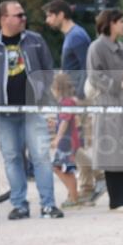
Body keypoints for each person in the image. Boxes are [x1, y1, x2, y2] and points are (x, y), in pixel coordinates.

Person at [0, 0, 63, 219]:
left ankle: (48, 205)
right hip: (2, 113)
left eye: (24, 14)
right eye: (19, 15)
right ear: (4, 19)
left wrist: (41, 93)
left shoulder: (35, 40)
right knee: (12, 158)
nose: (24, 18)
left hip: (32, 110)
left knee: (41, 156)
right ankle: (19, 205)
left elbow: (47, 70)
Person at [42, 0, 105, 204]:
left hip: (77, 97)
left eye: (50, 15)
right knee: (74, 144)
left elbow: (87, 67)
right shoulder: (72, 35)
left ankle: (95, 177)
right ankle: (89, 183)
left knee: (71, 144)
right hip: (72, 96)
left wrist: (78, 96)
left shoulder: (76, 36)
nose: (47, 20)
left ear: (61, 15)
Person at [86, 9, 123, 212]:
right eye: (121, 21)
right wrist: (119, 84)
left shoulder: (121, 47)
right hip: (109, 105)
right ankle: (117, 200)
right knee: (112, 154)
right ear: (111, 23)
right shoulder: (96, 47)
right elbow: (95, 76)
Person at [49, 71, 81, 208]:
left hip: (67, 143)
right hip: (68, 142)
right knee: (64, 169)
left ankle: (73, 197)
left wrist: (57, 138)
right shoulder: (67, 102)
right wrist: (55, 123)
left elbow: (65, 122)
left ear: (57, 88)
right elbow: (64, 121)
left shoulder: (66, 103)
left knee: (63, 169)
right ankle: (72, 195)